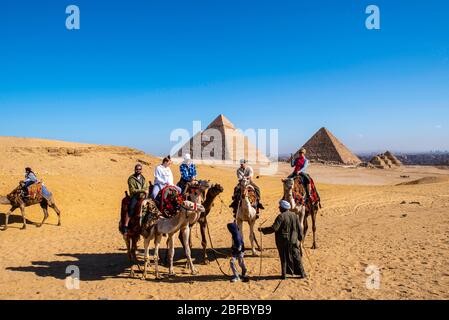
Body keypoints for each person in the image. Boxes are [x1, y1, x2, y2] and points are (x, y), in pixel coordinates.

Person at [259, 200, 307, 280]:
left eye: (280, 207)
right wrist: (300, 237)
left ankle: (284, 275)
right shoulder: (295, 215)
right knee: (297, 256)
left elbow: (274, 228)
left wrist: (263, 230)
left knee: (283, 257)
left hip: (283, 241)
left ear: (283, 208)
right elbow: (299, 228)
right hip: (294, 240)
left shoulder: (281, 216)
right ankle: (302, 273)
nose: (279, 208)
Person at [123, 164, 149, 235]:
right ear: (135, 170)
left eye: (140, 169)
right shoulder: (131, 179)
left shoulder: (143, 178)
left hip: (143, 196)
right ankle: (125, 225)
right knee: (131, 208)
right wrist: (142, 190)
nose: (138, 170)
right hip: (135, 197)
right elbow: (132, 190)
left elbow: (146, 186)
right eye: (137, 169)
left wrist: (146, 191)